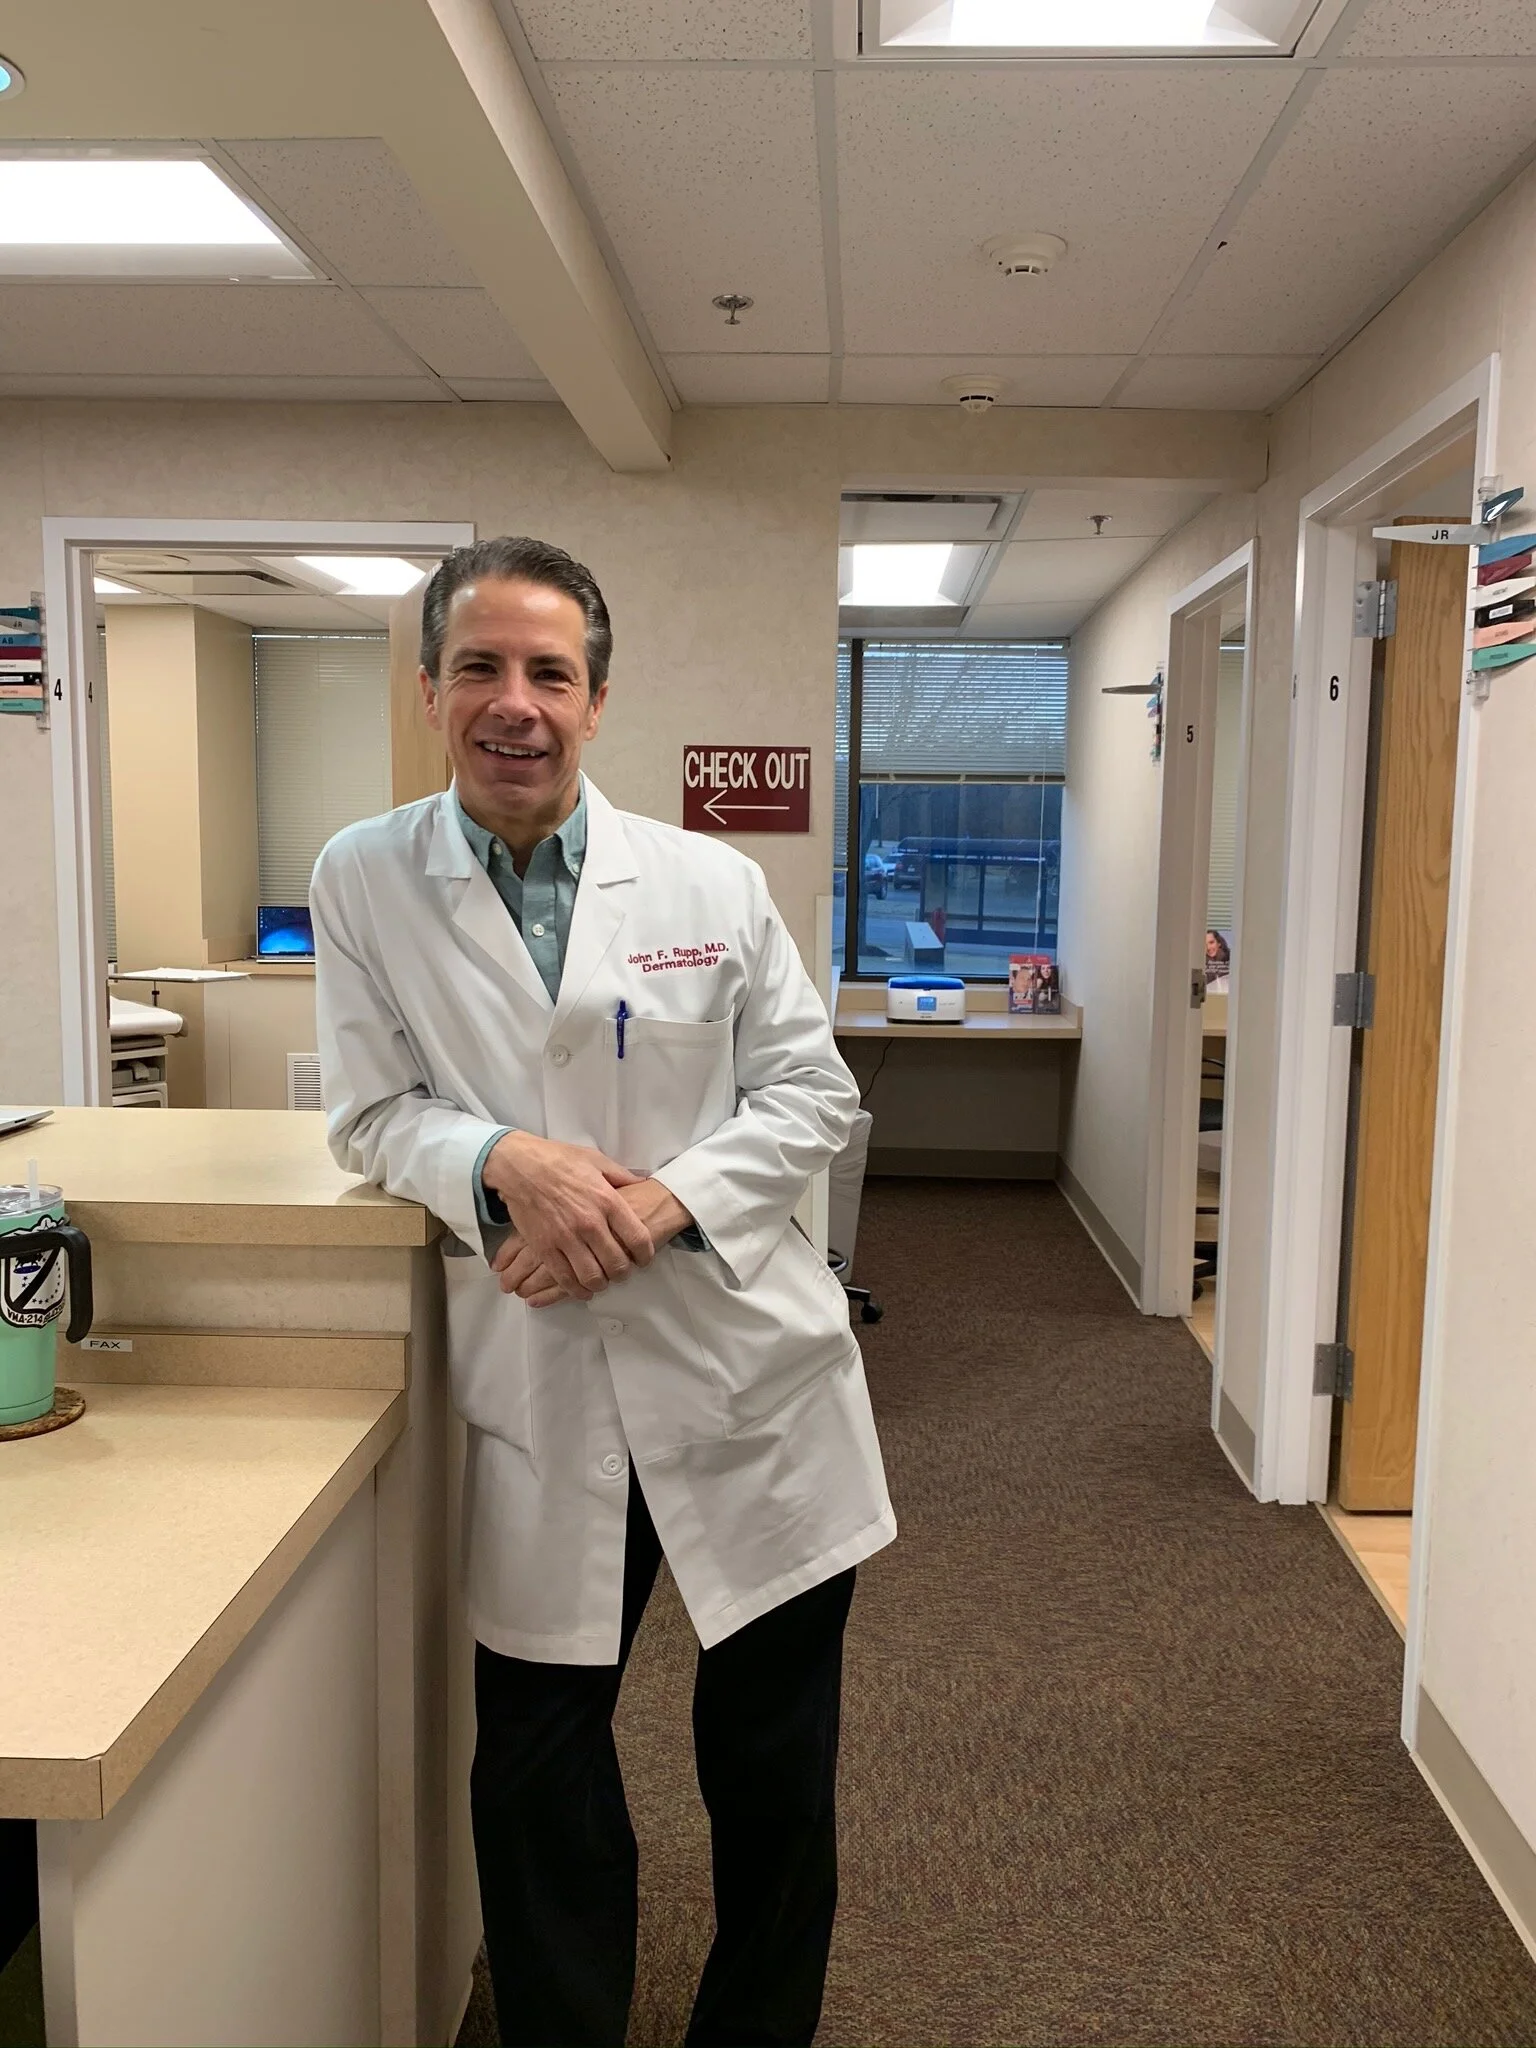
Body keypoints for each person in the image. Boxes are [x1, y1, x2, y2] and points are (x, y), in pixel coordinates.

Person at [310, 537, 895, 2048]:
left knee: (770, 1768)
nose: (518, 704)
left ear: (598, 695)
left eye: (550, 673)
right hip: (545, 1385)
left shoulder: (710, 877)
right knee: (536, 1767)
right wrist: (508, 1157)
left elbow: (809, 1096)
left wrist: (643, 1206)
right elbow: (371, 1117)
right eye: (482, 669)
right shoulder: (366, 877)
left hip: (744, 1369)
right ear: (430, 685)